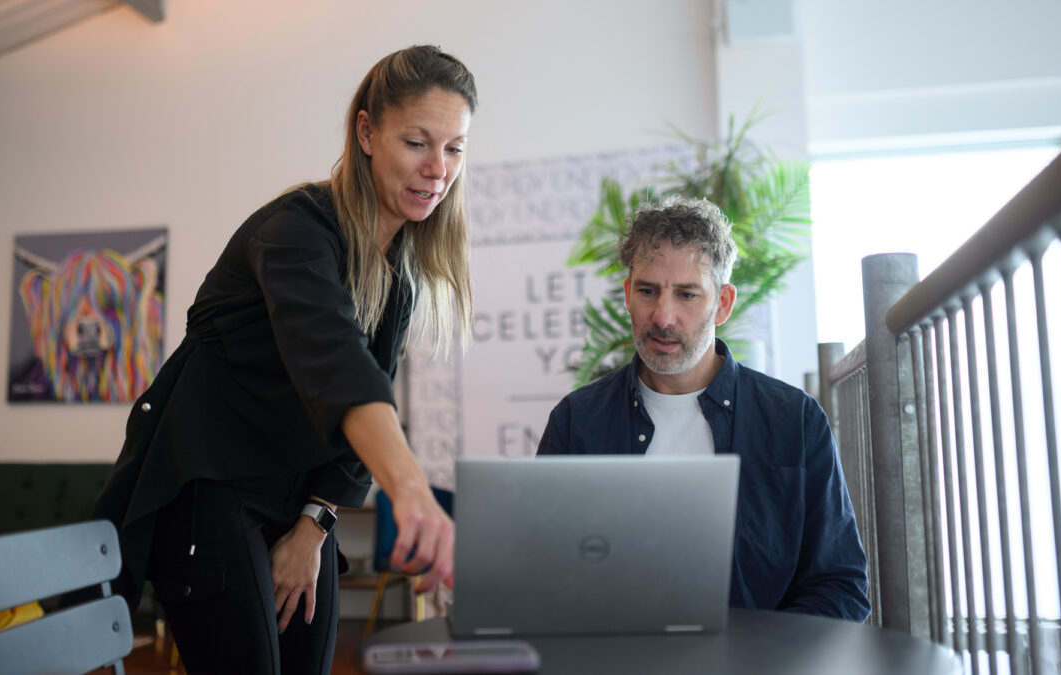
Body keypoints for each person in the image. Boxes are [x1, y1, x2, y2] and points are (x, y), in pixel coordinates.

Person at [89, 45, 477, 673]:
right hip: (208, 489)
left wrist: (313, 528)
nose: (437, 168)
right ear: (367, 132)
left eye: (455, 148)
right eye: (417, 142)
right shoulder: (295, 232)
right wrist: (410, 489)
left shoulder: (397, 275)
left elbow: (362, 405)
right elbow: (336, 364)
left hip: (296, 504)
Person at [537, 197, 871, 622]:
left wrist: (759, 661)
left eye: (687, 294)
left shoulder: (795, 421)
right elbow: (543, 575)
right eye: (647, 291)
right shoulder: (575, 421)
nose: (664, 316)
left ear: (724, 303)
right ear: (627, 295)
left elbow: (840, 588)